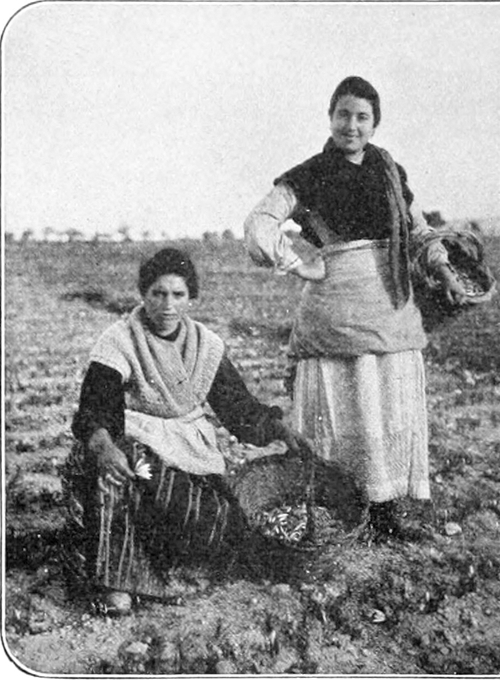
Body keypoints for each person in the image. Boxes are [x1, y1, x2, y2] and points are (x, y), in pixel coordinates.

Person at [244, 76, 467, 542]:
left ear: (374, 124)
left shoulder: (390, 171)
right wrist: (295, 262)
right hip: (336, 313)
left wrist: (444, 271)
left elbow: (419, 231)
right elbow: (259, 223)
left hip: (391, 307)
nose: (352, 125)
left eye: (362, 117)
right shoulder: (308, 174)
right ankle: (338, 515)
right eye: (343, 114)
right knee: (347, 412)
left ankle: (384, 514)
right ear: (330, 118)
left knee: (384, 411)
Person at [64, 247, 309, 613]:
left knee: (216, 521)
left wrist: (277, 429)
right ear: (143, 294)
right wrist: (104, 446)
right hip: (133, 439)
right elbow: (96, 407)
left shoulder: (205, 345)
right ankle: (117, 583)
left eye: (178, 295)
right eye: (158, 293)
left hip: (187, 450)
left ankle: (167, 563)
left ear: (190, 298)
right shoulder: (119, 340)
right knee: (125, 472)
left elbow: (237, 408)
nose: (167, 305)